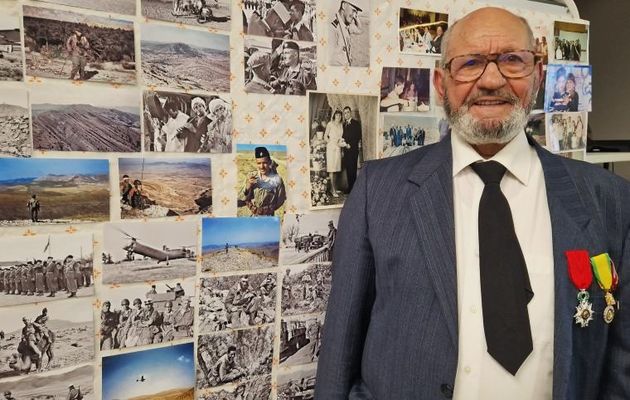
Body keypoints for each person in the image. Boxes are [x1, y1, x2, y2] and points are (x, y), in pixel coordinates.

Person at [315, 7, 630, 400]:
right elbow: (339, 350)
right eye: (470, 63)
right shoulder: (378, 190)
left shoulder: (610, 199)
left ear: (538, 76)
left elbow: (621, 361)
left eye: (512, 60)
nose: (492, 79)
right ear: (441, 84)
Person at [238, 146, 287, 216]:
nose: (262, 166)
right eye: (259, 163)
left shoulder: (277, 180)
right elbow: (241, 201)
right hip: (253, 217)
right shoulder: (252, 177)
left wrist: (267, 210)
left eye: (265, 163)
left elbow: (280, 201)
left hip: (268, 218)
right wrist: (247, 187)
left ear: (269, 162)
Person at [330, 0, 363, 66]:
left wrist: (356, 17)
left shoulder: (346, 25)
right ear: (344, 6)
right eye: (353, 10)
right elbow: (331, 61)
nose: (354, 15)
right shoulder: (333, 28)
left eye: (356, 13)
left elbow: (360, 30)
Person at [341, 106, 362, 193]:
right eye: (345, 113)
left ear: (350, 113)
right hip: (346, 150)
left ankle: (353, 189)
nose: (346, 114)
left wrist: (350, 145)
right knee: (348, 168)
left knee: (353, 169)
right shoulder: (343, 125)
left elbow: (358, 136)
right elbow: (343, 137)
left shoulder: (356, 123)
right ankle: (350, 188)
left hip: (353, 150)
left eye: (348, 112)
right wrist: (343, 145)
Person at [325, 110, 346, 197]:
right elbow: (325, 136)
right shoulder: (330, 124)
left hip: (338, 148)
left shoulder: (341, 125)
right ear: (334, 116)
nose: (338, 117)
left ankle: (334, 188)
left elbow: (341, 137)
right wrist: (330, 142)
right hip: (331, 149)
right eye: (337, 115)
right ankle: (332, 190)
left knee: (337, 169)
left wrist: (341, 149)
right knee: (331, 169)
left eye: (340, 116)